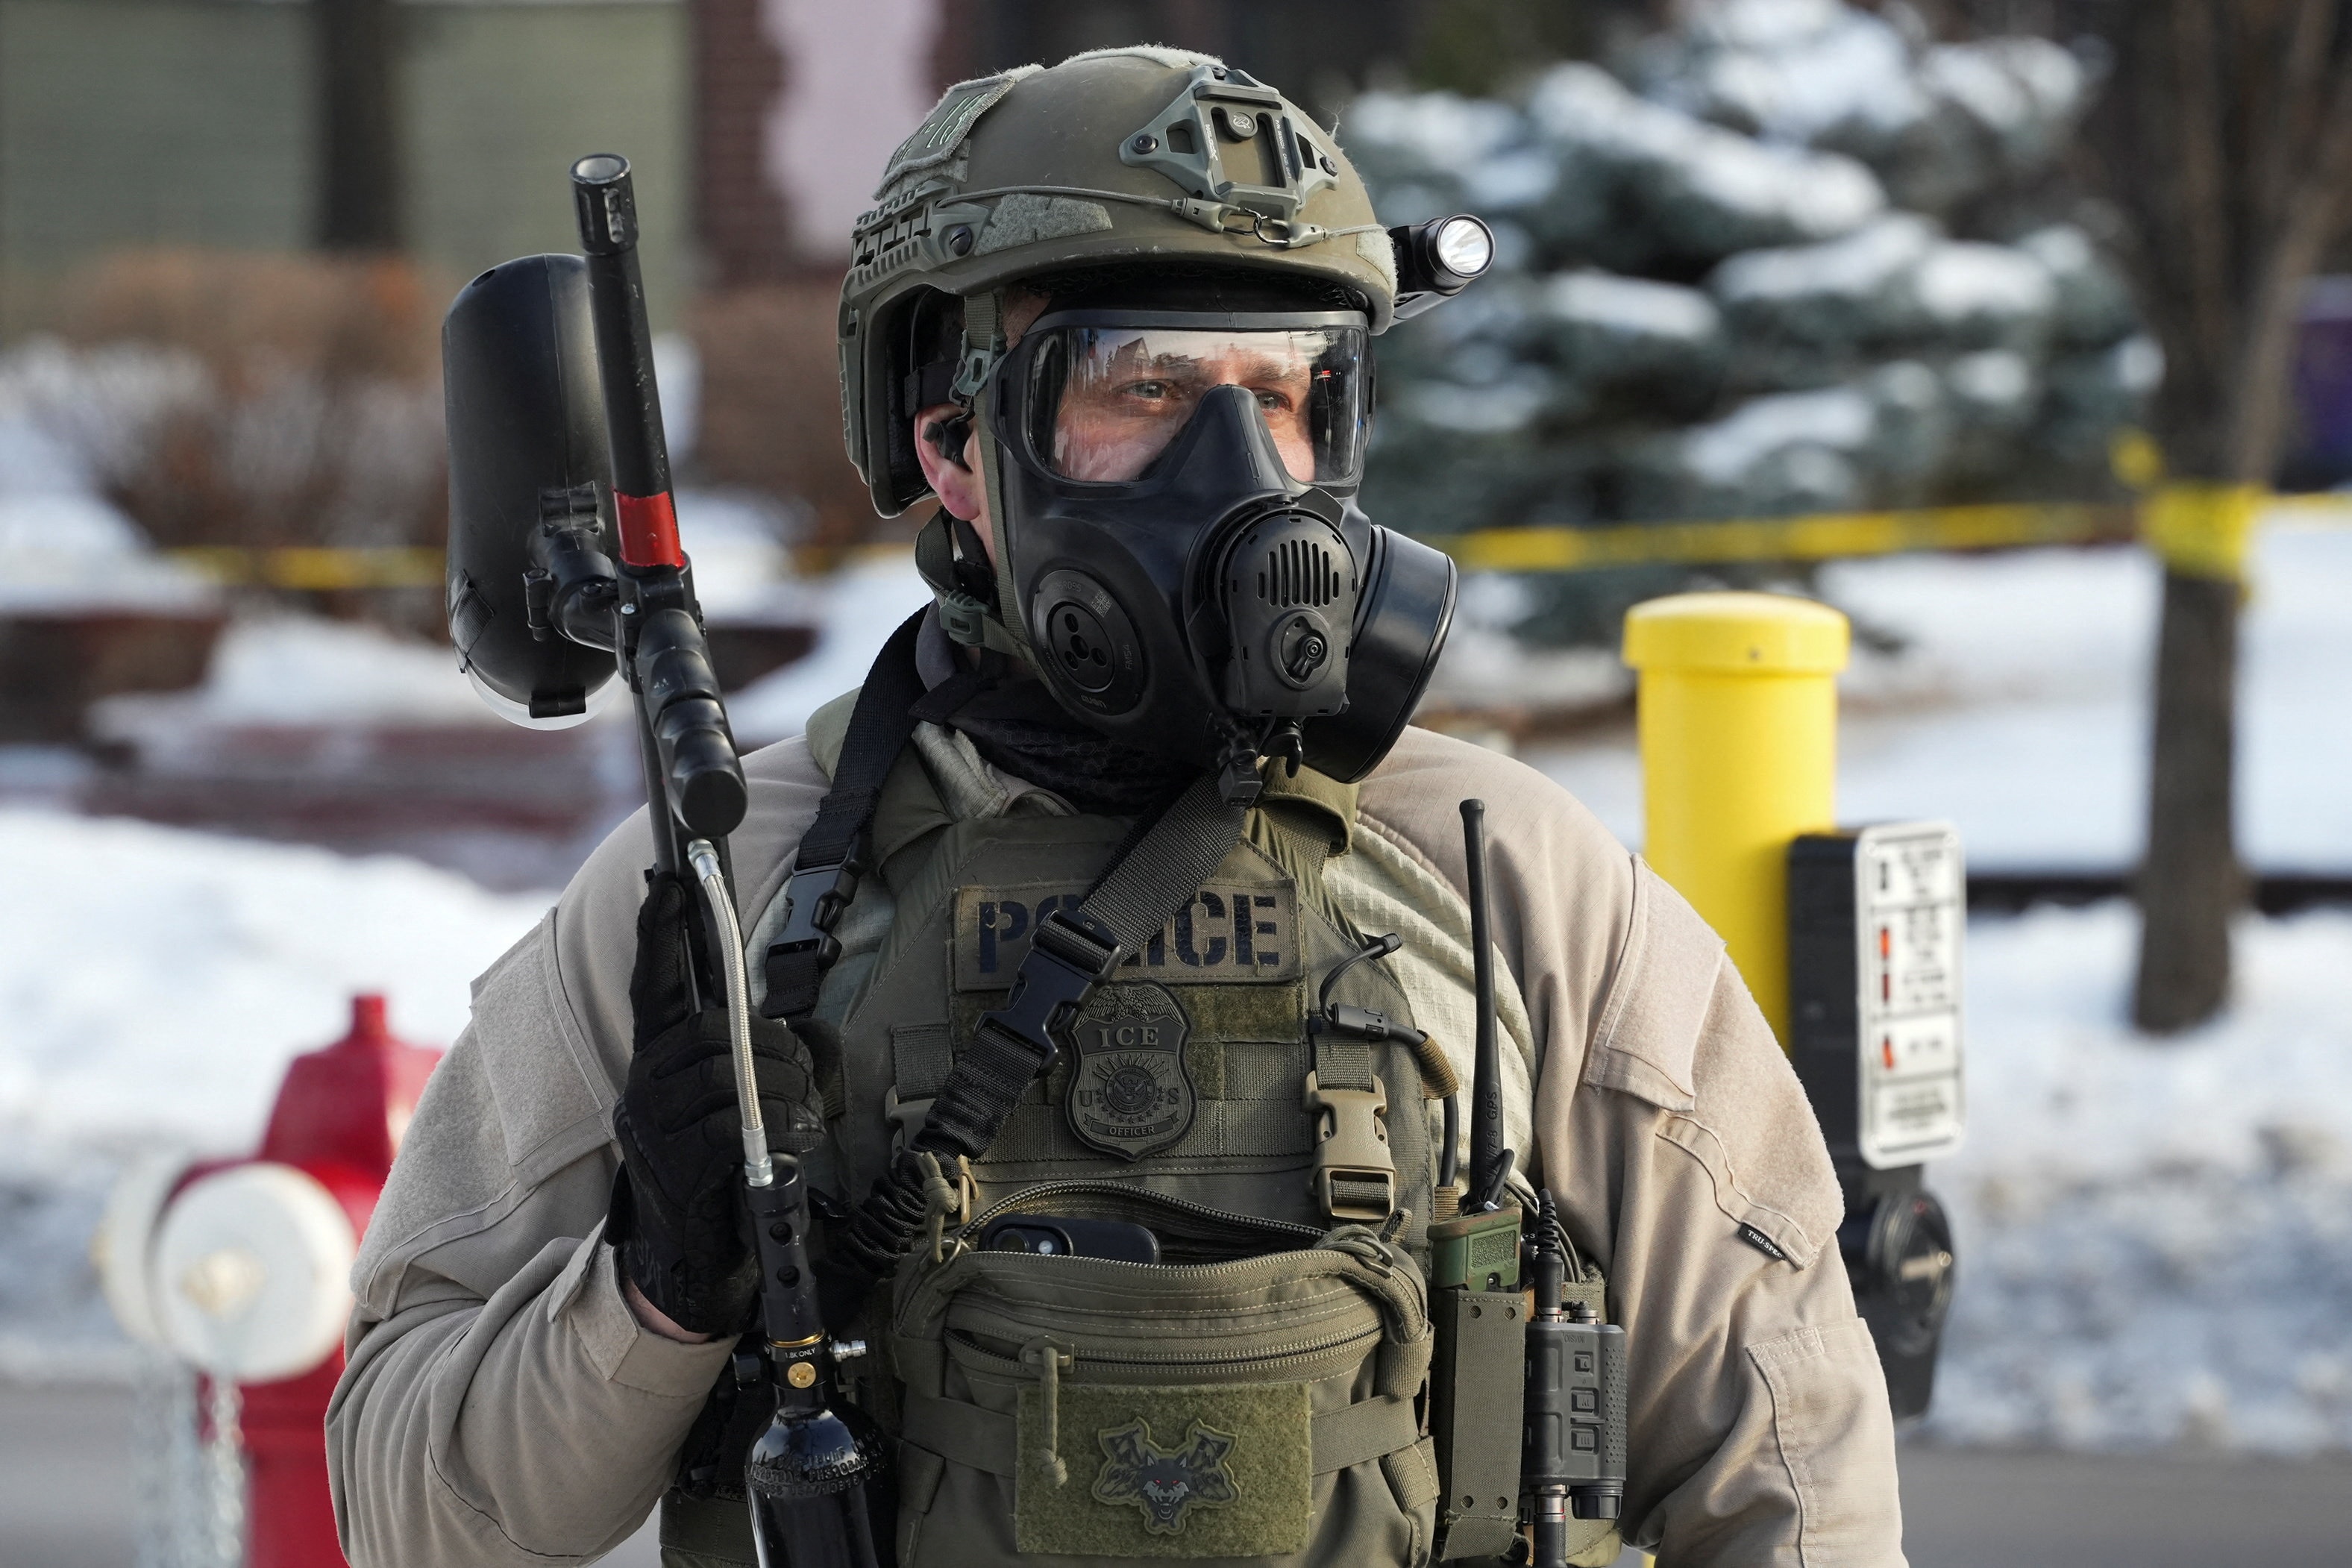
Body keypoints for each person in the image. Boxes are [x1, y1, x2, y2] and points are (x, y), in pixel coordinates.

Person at [327, 46, 1904, 1568]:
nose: (1239, 468)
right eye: (1144, 384)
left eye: (1286, 392)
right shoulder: (723, 893)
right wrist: (655, 1298)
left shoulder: (1513, 878)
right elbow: (406, 1509)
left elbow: (1790, 1477)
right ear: (954, 444)